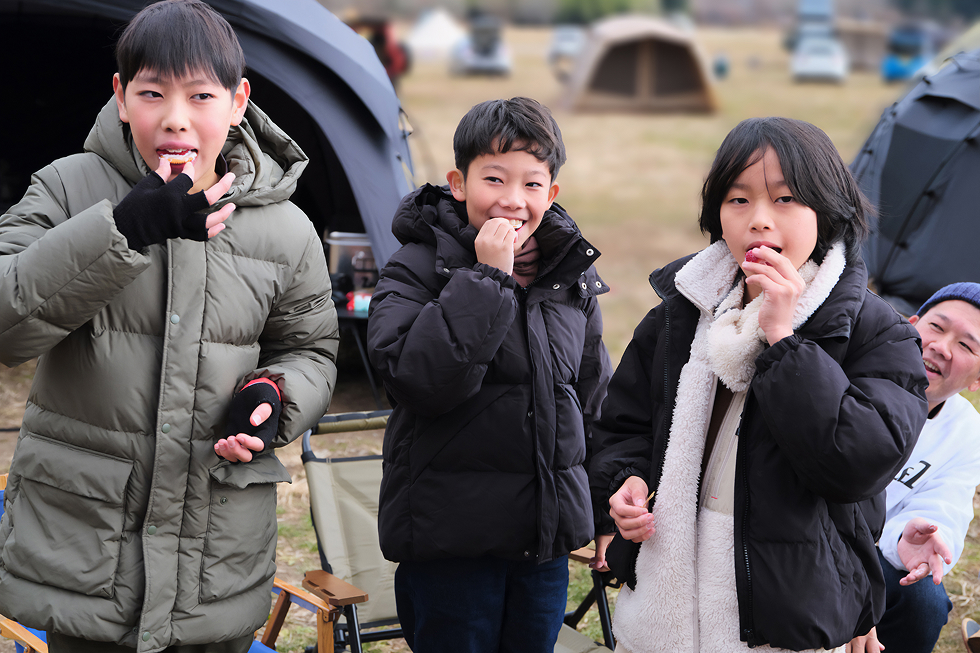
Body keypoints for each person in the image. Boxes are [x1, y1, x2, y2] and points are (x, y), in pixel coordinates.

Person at [0, 1, 338, 651]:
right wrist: (122, 230)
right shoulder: (70, 190)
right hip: (87, 568)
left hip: (215, 566)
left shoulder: (285, 227)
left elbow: (313, 350)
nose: (176, 118)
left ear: (238, 101)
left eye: (201, 95)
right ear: (123, 97)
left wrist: (274, 396)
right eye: (153, 92)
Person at [588, 117, 929, 653]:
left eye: (786, 199)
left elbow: (857, 463)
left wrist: (784, 339)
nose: (759, 222)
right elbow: (623, 424)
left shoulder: (874, 330)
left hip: (783, 617)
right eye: (738, 200)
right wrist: (624, 481)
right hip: (663, 606)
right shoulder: (683, 313)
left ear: (828, 209)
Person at [367, 97, 611, 653]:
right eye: (494, 179)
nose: (512, 200)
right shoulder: (416, 265)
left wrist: (601, 507)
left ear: (551, 194)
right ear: (458, 183)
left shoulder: (569, 275)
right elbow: (417, 380)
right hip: (451, 542)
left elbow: (594, 398)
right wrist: (486, 277)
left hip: (541, 544)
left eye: (531, 184)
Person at [847, 283, 980, 653]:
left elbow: (944, 511)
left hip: (877, 552)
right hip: (799, 534)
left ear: (978, 380)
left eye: (967, 345)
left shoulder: (967, 433)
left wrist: (909, 537)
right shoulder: (846, 370)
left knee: (923, 598)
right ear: (910, 324)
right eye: (936, 327)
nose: (941, 346)